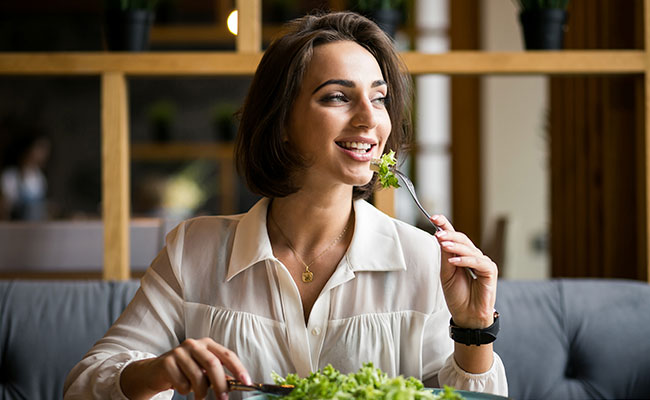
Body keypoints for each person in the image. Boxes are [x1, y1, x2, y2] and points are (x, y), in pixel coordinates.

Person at [64, 11, 507, 400]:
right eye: (337, 96)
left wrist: (473, 330)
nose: (371, 119)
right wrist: (156, 371)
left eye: (378, 97)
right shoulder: (193, 250)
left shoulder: (423, 258)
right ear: (281, 122)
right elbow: (84, 385)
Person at [0, 131, 51, 221]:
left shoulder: (40, 178)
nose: (44, 153)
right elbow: (4, 210)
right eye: (40, 147)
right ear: (28, 148)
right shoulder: (10, 176)